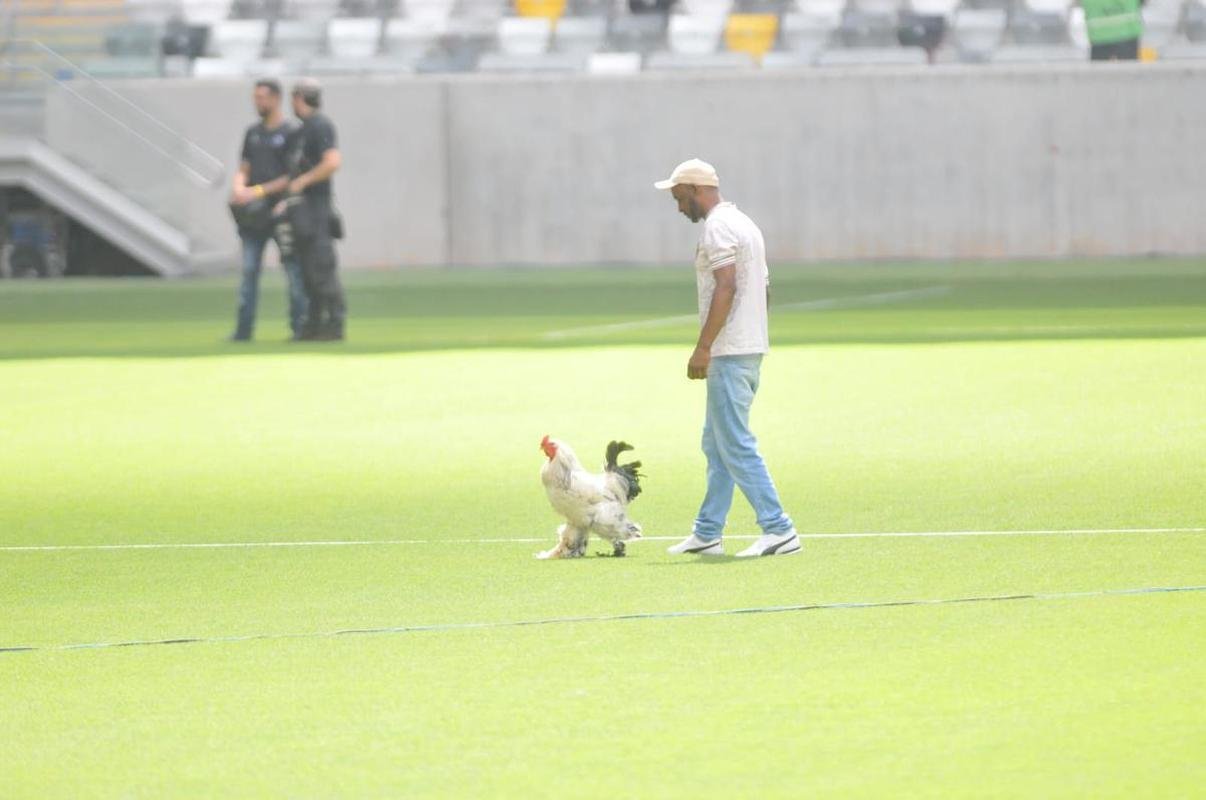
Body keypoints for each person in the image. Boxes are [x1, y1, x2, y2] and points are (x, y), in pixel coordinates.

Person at [657, 159, 800, 558]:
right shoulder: (745, 224)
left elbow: (727, 286)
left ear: (695, 190)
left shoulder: (718, 227)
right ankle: (708, 531)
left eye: (679, 197)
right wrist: (752, 334)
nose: (678, 207)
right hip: (749, 348)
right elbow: (763, 290)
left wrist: (705, 346)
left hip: (730, 352)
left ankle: (778, 529)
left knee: (734, 443)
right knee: (716, 443)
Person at [228, 79, 307, 342]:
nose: (258, 103)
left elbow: (291, 176)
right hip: (254, 216)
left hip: (281, 212)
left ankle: (299, 326)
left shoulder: (291, 132)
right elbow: (244, 167)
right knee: (249, 270)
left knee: (293, 269)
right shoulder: (253, 133)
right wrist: (239, 187)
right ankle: (243, 330)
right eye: (255, 97)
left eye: (262, 98)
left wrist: (257, 191)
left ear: (276, 99)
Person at [287, 78, 346, 341]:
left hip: (317, 209)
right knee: (308, 269)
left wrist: (304, 181)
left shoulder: (320, 126)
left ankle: (334, 323)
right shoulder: (301, 130)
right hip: (302, 210)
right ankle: (313, 324)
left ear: (300, 98)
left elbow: (332, 162)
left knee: (322, 267)